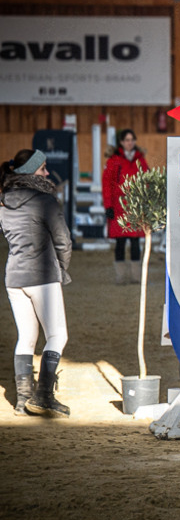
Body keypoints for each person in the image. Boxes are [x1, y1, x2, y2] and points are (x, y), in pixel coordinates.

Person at [0, 149, 72, 417]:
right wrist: (62, 269)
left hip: (14, 277)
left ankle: (22, 400)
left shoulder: (3, 202)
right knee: (57, 335)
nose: (46, 173)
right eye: (42, 168)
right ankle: (43, 395)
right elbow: (63, 240)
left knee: (26, 338)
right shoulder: (45, 201)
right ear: (31, 172)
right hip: (42, 275)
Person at [102, 129, 149, 284]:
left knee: (135, 243)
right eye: (127, 140)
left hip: (135, 207)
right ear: (121, 142)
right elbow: (107, 185)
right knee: (120, 243)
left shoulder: (140, 160)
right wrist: (108, 206)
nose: (130, 143)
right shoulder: (114, 161)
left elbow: (147, 182)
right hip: (119, 207)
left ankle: (136, 277)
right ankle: (121, 277)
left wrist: (146, 202)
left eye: (132, 139)